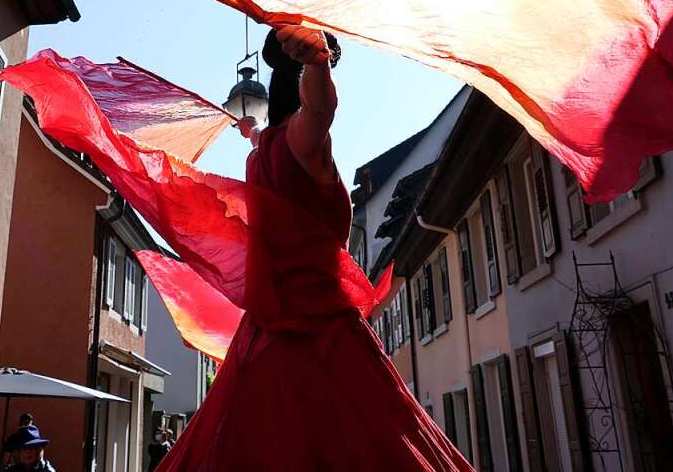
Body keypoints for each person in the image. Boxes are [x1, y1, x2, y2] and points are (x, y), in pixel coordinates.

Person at [154, 25, 475, 471]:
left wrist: (254, 132)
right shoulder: (302, 140)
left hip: (263, 340)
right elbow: (321, 111)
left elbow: (283, 161)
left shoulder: (260, 153)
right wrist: (318, 61)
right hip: (320, 336)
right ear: (300, 75)